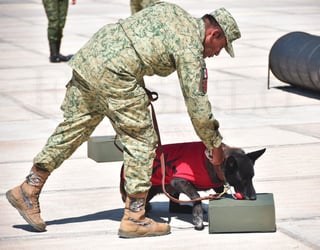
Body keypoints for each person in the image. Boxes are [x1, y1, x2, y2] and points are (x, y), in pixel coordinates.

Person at [6, 2, 241, 238]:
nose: (216, 53)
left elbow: (134, 40)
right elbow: (197, 105)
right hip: (117, 75)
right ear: (214, 33)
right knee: (141, 141)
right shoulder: (190, 48)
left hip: (91, 59)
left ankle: (29, 188)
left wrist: (137, 83)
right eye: (220, 47)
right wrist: (214, 144)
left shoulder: (171, 10)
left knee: (73, 129)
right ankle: (135, 217)